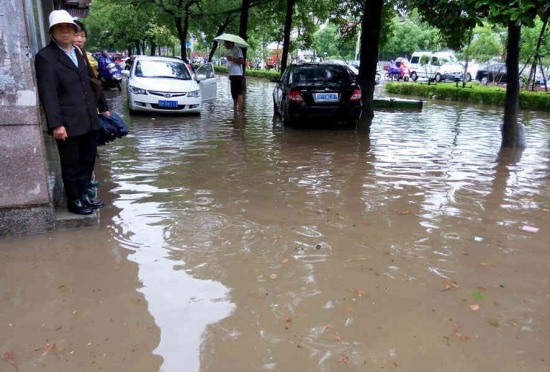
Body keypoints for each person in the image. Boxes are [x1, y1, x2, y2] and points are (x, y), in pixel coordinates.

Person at [35, 10, 108, 215]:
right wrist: (56, 124)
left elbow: (90, 83)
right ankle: (74, 200)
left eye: (69, 27)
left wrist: (101, 110)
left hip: (88, 119)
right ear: (52, 31)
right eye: (60, 28)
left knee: (87, 160)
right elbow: (48, 94)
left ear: (75, 30)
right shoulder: (46, 57)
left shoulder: (78, 52)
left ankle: (85, 195)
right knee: (71, 164)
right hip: (67, 123)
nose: (65, 31)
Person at [223, 40, 245, 112]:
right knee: (234, 93)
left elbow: (242, 61)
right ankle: (235, 112)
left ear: (230, 43)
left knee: (239, 93)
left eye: (225, 44)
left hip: (237, 74)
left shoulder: (237, 50)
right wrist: (229, 74)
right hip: (232, 75)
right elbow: (230, 65)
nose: (224, 45)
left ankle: (240, 112)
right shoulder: (231, 51)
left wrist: (232, 59)